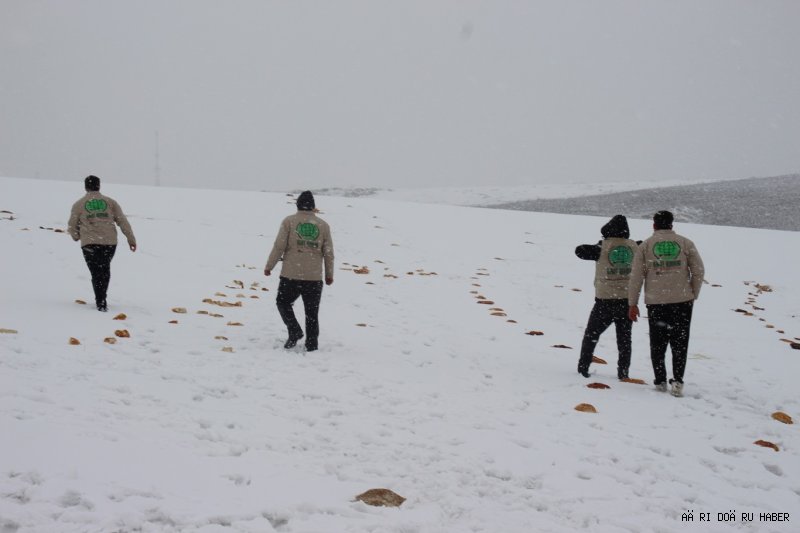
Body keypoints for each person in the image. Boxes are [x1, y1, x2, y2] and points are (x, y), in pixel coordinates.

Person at [628, 210, 705, 397]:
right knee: (680, 342)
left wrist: (632, 303)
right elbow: (699, 271)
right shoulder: (685, 243)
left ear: (654, 225)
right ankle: (677, 381)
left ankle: (660, 380)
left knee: (657, 342)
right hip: (682, 301)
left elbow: (636, 277)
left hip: (656, 302)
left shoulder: (645, 246)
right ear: (672, 224)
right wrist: (692, 293)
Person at [264, 191, 334, 352]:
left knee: (283, 303)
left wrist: (269, 266)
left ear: (297, 205)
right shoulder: (323, 225)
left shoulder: (289, 221)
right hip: (314, 277)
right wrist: (329, 275)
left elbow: (279, 246)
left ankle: (294, 329)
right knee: (312, 312)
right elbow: (328, 253)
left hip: (290, 275)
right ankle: (312, 344)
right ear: (313, 207)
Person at [575, 215, 638, 380]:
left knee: (591, 335)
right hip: (627, 301)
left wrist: (600, 245)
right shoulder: (635, 247)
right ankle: (623, 372)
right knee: (625, 340)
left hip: (605, 301)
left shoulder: (601, 247)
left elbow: (579, 250)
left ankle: (583, 367)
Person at [68, 175, 137, 312]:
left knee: (96, 272)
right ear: (99, 186)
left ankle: (100, 300)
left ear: (85, 187)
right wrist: (131, 239)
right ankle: (102, 298)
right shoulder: (111, 202)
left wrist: (76, 236)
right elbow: (122, 221)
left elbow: (72, 225)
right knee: (104, 269)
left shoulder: (78, 204)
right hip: (109, 242)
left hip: (89, 243)